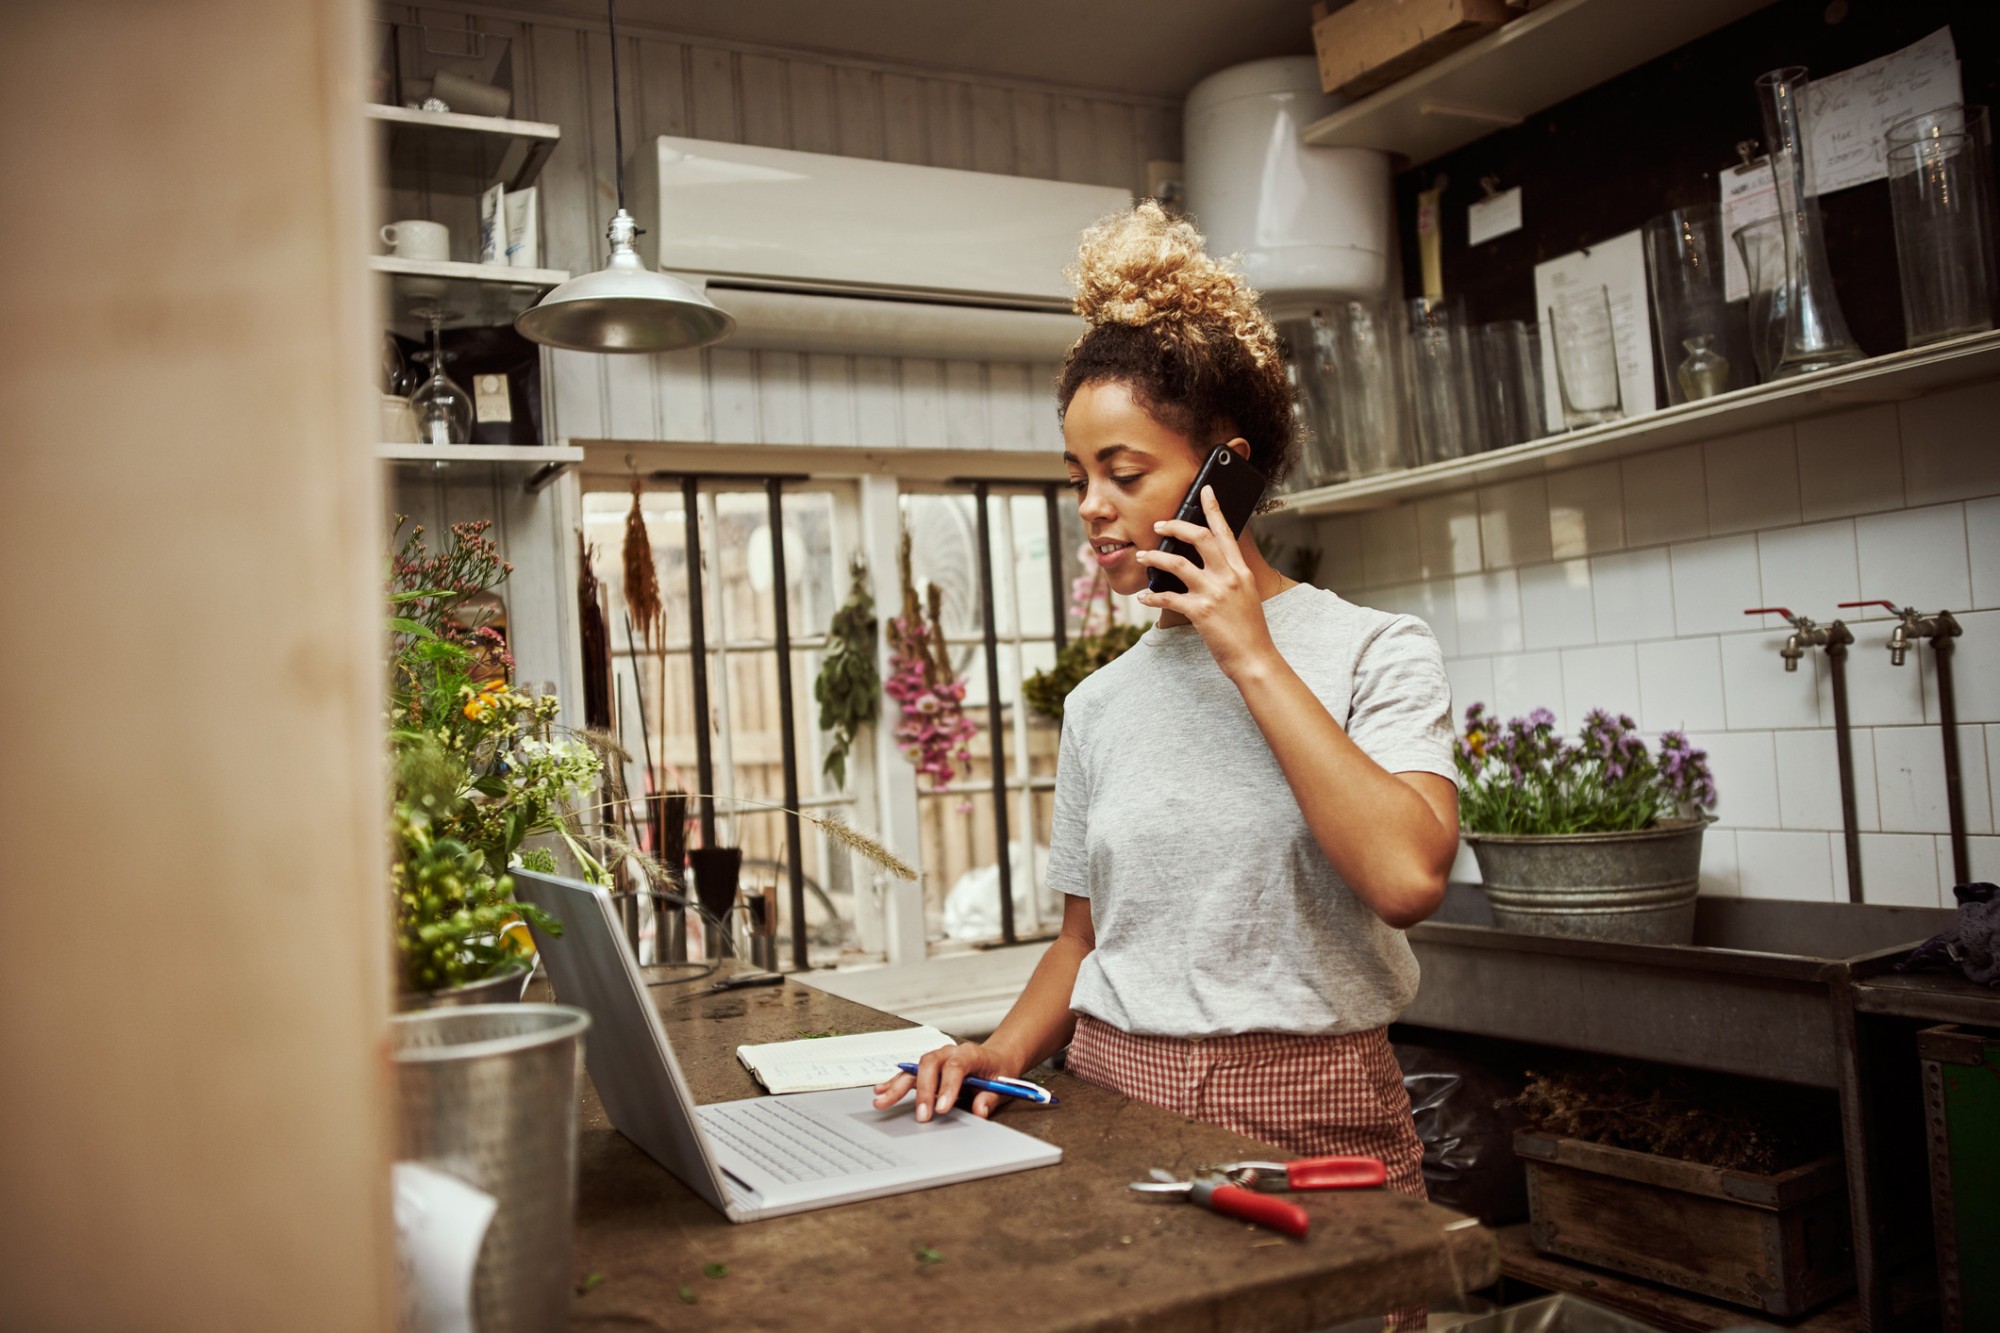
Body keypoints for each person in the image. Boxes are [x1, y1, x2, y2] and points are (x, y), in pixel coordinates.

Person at [872, 202, 1460, 1215]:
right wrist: (996, 1053)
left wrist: (1249, 654)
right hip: (1107, 1098)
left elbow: (1406, 877)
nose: (1092, 505)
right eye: (1078, 476)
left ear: (1222, 470)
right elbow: (1085, 939)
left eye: (1124, 472)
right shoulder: (1100, 704)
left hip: (1308, 1111)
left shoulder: (1375, 650)